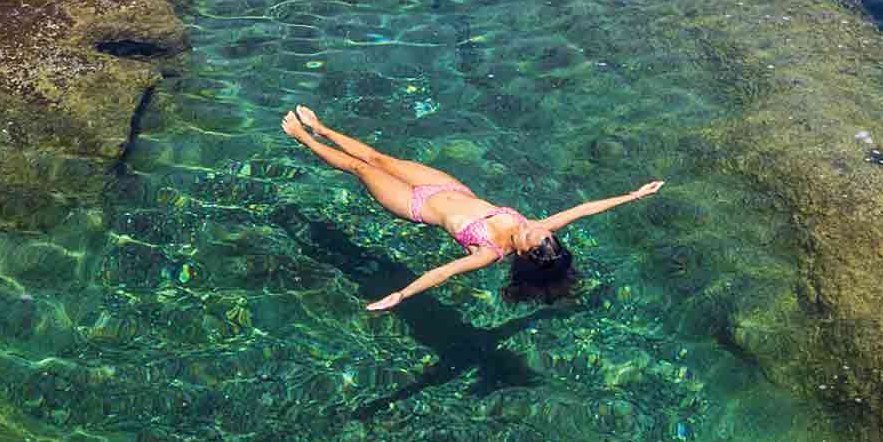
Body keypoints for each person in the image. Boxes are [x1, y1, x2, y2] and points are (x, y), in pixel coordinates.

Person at [279, 104, 664, 311]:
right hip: (447, 185)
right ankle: (321, 127)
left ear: (528, 251)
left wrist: (401, 295)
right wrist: (634, 195)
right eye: (545, 232)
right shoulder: (537, 227)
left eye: (536, 236)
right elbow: (585, 209)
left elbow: (443, 272)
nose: (538, 227)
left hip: (414, 204)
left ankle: (302, 138)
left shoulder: (489, 252)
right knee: (379, 157)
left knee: (358, 167)